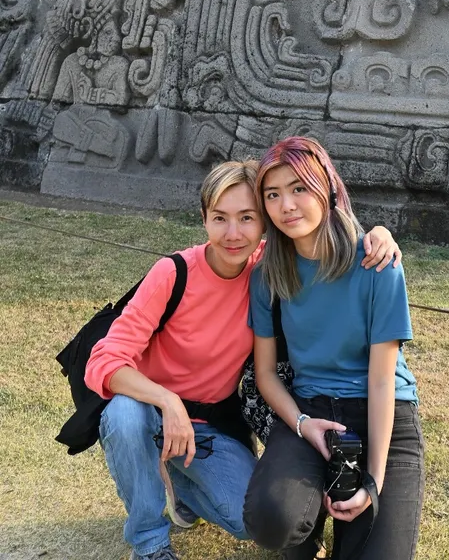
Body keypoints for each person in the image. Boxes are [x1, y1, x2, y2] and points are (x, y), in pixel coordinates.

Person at [84, 158, 401, 560]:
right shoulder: (172, 273)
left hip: (208, 427)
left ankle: (180, 490)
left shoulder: (267, 267)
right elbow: (104, 361)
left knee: (252, 520)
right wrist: (167, 401)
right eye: (220, 218)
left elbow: (318, 230)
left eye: (247, 218)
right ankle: (149, 544)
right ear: (204, 219)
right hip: (148, 411)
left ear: (264, 223)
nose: (233, 234)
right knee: (125, 415)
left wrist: (379, 233)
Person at [244, 137, 424, 560]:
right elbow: (266, 374)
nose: (286, 205)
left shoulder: (377, 262)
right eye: (273, 194)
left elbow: (381, 380)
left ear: (326, 187)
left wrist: (373, 484)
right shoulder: (268, 275)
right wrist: (303, 422)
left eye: (299, 188)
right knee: (273, 518)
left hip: (384, 412)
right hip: (311, 408)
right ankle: (307, 526)